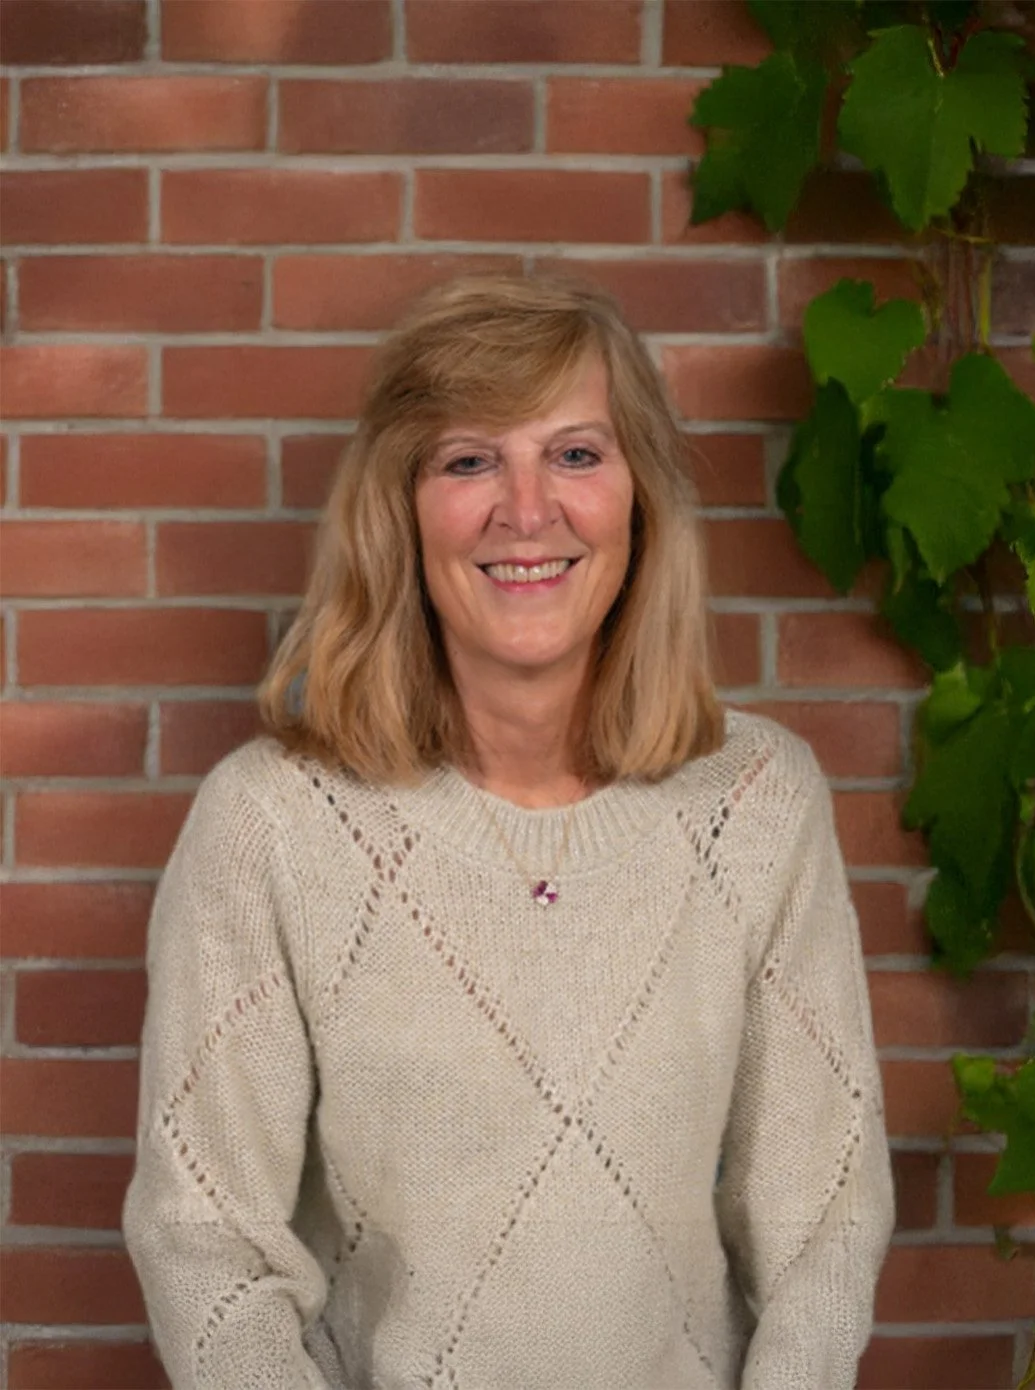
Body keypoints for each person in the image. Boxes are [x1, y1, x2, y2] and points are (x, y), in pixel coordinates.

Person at [123, 274, 895, 1390]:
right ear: (401, 508)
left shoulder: (756, 803)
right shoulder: (272, 825)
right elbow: (208, 1248)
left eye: (576, 454)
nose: (526, 510)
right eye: (469, 458)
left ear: (640, 499)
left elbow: (821, 1223)